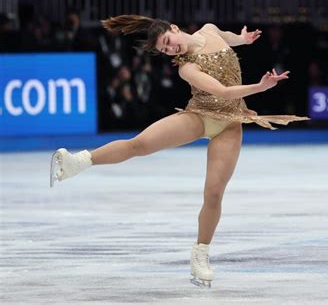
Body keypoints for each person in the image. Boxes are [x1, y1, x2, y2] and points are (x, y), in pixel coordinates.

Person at [49, 15, 309, 287]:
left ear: (174, 28)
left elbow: (225, 38)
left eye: (168, 42)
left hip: (230, 125)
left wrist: (241, 39)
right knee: (139, 144)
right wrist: (260, 87)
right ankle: (77, 162)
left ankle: (200, 255)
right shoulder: (187, 68)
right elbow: (223, 91)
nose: (171, 49)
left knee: (213, 192)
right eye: (165, 50)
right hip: (199, 116)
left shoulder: (209, 29)